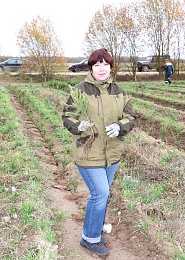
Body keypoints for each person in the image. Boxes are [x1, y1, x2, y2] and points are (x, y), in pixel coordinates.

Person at [62, 48, 137, 256]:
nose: (101, 68)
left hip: (112, 154)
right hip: (88, 152)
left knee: (101, 196)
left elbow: (131, 117)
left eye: (105, 64)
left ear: (111, 67)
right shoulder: (79, 90)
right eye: (97, 64)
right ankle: (91, 239)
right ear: (91, 67)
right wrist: (79, 125)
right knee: (100, 194)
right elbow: (67, 117)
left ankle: (91, 232)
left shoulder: (119, 91)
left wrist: (120, 126)